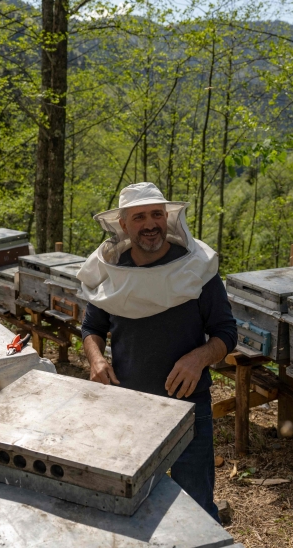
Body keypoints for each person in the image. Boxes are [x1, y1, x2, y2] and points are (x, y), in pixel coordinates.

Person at [77, 182, 238, 522]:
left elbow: (226, 333)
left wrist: (199, 357)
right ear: (123, 224)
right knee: (132, 505)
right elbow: (92, 328)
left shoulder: (197, 267)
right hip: (128, 407)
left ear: (168, 218)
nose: (150, 224)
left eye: (156, 215)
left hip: (190, 407)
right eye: (139, 217)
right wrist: (96, 358)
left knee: (196, 511)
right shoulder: (111, 270)